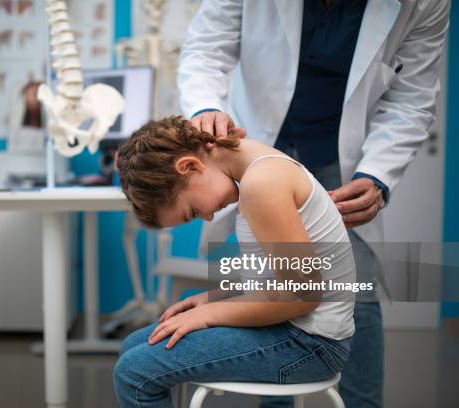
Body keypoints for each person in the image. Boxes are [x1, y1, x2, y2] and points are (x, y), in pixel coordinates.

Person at [177, 1, 450, 407]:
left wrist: (377, 175)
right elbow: (206, 48)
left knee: (357, 291)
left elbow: (412, 96)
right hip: (260, 141)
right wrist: (205, 108)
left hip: (341, 159)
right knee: (262, 286)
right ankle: (275, 398)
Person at [113, 115, 357, 408]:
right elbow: (274, 279)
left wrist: (210, 314)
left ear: (189, 166)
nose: (206, 217)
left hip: (309, 345)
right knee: (134, 346)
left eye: (191, 211)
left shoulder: (263, 184)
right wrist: (213, 298)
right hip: (297, 331)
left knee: (134, 373)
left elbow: (302, 295)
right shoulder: (255, 169)